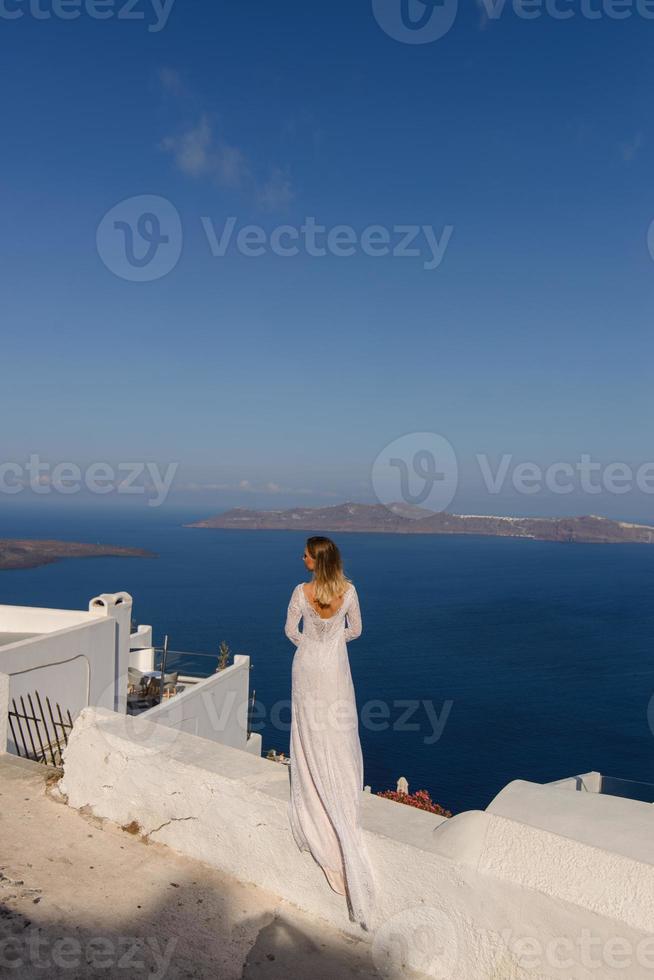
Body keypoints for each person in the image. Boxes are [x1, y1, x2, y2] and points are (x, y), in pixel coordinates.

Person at [284, 535, 375, 930]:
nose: (301, 557)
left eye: (305, 553)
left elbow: (290, 631)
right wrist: (332, 640)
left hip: (307, 667)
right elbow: (356, 631)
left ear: (316, 560)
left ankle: (313, 788)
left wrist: (313, 645)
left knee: (308, 732)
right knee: (336, 731)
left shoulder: (301, 592)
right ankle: (339, 784)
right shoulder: (349, 591)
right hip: (336, 669)